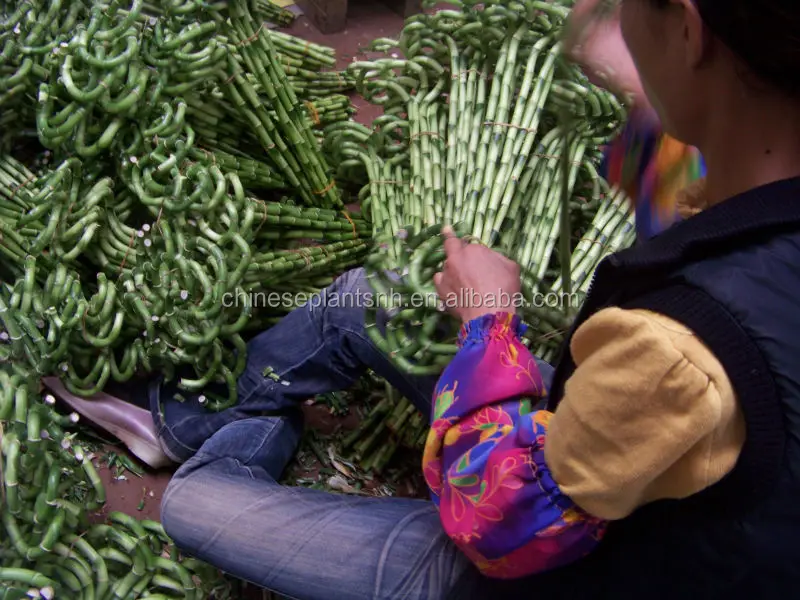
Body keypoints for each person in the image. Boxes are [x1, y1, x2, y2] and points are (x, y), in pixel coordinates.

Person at [44, 0, 800, 598]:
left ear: (691, 31)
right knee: (380, 297)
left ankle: (238, 436)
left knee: (190, 507)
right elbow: (681, 199)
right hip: (634, 473)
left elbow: (503, 524)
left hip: (549, 563)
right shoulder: (762, 201)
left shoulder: (681, 348)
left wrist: (489, 323)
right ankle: (186, 420)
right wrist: (644, 105)